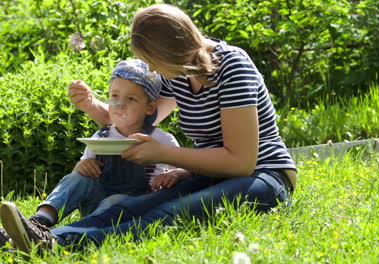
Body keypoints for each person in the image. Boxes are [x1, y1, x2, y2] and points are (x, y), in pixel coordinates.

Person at [0, 3, 297, 252]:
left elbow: (241, 162)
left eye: (152, 61)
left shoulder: (233, 66)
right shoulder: (180, 74)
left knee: (166, 214)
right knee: (132, 207)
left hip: (265, 177)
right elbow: (131, 120)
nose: (152, 70)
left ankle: (56, 245)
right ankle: (26, 239)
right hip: (211, 175)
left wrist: (164, 155)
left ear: (170, 50)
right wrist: (91, 105)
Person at [0, 59, 186, 252]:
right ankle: (39, 222)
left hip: (129, 209)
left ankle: (54, 237)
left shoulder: (160, 139)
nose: (120, 104)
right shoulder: (101, 137)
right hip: (95, 203)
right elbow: (78, 177)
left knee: (114, 200)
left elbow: (185, 168)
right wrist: (83, 167)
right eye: (115, 95)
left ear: (150, 108)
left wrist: (174, 174)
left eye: (131, 99)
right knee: (77, 179)